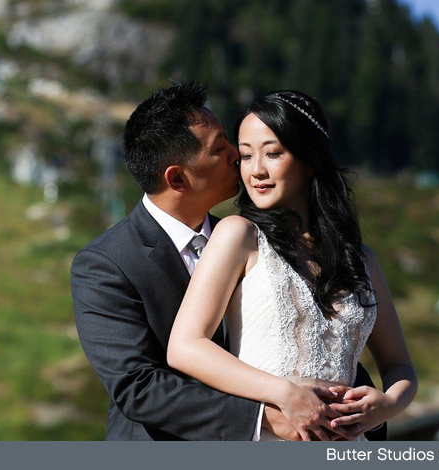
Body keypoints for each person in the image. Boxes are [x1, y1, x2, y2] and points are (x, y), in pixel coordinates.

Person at [71, 82, 385, 440]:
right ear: (177, 178)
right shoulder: (105, 264)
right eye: (221, 148)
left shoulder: (256, 240)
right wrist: (263, 418)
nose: (238, 156)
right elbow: (139, 388)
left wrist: (361, 409)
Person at [167, 90, 418, 441]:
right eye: (245, 156)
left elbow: (400, 366)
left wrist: (388, 404)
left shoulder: (361, 259)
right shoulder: (238, 235)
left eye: (273, 153)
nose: (256, 171)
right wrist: (284, 393)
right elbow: (185, 347)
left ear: (309, 158)